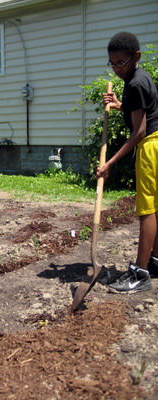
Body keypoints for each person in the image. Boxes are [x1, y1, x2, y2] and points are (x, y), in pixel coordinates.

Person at [96, 32, 158, 293]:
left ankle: (139, 273)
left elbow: (139, 132)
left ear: (136, 57)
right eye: (112, 63)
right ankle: (155, 261)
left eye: (120, 63)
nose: (116, 69)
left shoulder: (135, 82)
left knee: (147, 209)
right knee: (156, 206)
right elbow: (141, 110)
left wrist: (109, 162)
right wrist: (120, 105)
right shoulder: (138, 77)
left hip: (151, 146)